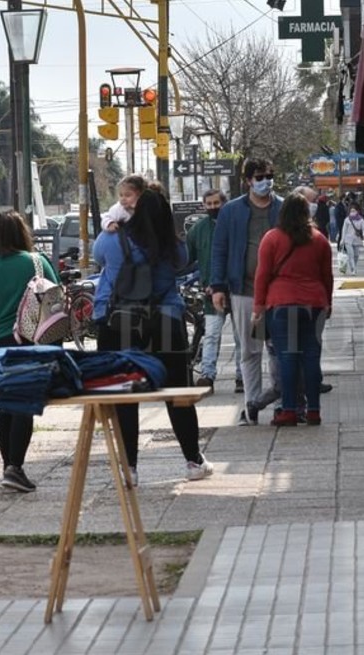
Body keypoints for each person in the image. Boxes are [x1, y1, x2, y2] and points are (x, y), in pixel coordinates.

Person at [93, 190, 214, 485]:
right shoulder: (173, 245)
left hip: (119, 323)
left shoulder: (112, 239)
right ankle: (193, 460)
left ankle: (128, 468)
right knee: (178, 394)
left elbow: (98, 258)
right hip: (166, 321)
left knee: (123, 393)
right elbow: (183, 264)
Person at [0, 210, 61, 492]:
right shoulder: (37, 262)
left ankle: (10, 466)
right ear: (23, 234)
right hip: (30, 344)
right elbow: (55, 306)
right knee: (23, 406)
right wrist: (56, 349)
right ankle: (14, 467)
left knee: (3, 406)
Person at [209, 158, 284, 426]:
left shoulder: (283, 208)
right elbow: (219, 250)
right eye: (261, 176)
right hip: (244, 291)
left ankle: (281, 404)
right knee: (250, 351)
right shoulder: (231, 211)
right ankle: (251, 405)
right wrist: (217, 287)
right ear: (249, 180)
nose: (267, 181)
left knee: (279, 350)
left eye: (270, 175)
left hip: (278, 293)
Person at [253, 193, 333, 426]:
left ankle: (288, 409)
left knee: (287, 358)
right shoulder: (319, 239)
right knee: (311, 357)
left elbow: (262, 275)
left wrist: (258, 307)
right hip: (314, 304)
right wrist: (328, 302)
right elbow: (327, 275)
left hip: (282, 304)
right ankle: (314, 411)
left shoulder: (272, 238)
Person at [185, 189, 242, 391]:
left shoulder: (237, 226)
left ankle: (241, 377)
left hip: (238, 289)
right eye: (208, 204)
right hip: (211, 292)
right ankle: (207, 375)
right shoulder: (199, 229)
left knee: (240, 336)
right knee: (211, 335)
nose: (212, 207)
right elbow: (186, 257)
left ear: (224, 203)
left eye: (216, 203)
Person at [339, 203, 364, 275]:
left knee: (356, 255)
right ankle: (353, 269)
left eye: (354, 211)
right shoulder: (347, 220)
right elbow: (344, 230)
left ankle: (354, 265)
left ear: (357, 211)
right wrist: (342, 239)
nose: (352, 212)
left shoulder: (360, 220)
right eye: (351, 211)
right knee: (351, 254)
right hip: (348, 240)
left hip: (357, 240)